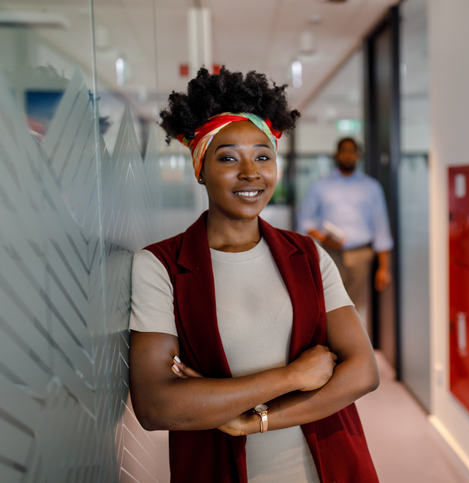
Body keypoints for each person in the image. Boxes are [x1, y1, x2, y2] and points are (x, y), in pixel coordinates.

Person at [128, 67, 380, 483]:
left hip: (327, 467)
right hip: (219, 470)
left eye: (263, 156)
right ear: (200, 167)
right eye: (228, 157)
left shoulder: (308, 255)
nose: (251, 173)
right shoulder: (161, 267)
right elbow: (156, 406)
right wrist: (293, 376)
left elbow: (362, 372)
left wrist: (252, 420)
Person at [297, 138, 394, 338]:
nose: (348, 155)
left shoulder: (371, 187)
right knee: (328, 304)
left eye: (352, 151)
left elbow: (381, 228)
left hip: (361, 255)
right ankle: (328, 347)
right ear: (336, 154)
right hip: (330, 253)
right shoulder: (321, 185)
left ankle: (350, 352)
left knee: (355, 307)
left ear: (358, 155)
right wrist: (322, 238)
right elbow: (304, 219)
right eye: (344, 151)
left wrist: (385, 268)